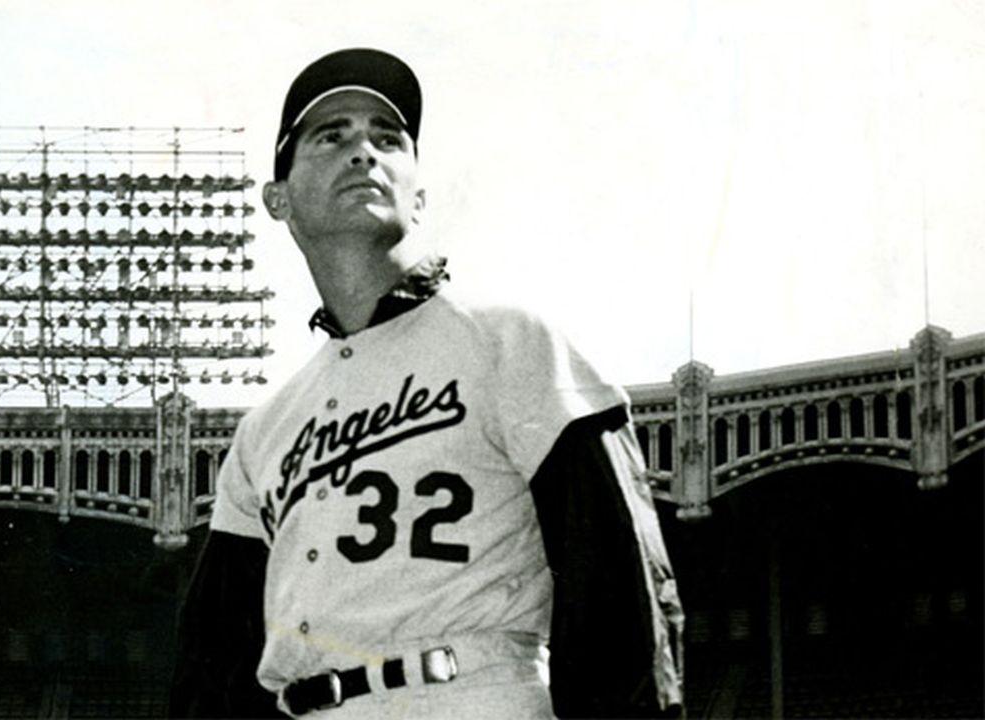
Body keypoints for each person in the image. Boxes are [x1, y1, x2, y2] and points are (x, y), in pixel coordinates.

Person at [171, 48, 684, 719]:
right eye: (332, 135)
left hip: (472, 693)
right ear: (279, 198)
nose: (363, 151)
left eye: (388, 138)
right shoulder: (266, 430)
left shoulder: (512, 343)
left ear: (418, 195)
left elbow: (623, 586)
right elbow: (216, 667)